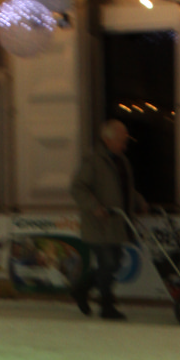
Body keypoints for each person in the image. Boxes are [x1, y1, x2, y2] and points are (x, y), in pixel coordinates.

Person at [70, 119, 147, 320]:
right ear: (107, 139)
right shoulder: (93, 161)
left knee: (113, 264)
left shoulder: (122, 162)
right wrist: (94, 206)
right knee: (108, 264)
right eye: (121, 140)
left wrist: (139, 201)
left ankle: (81, 289)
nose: (124, 145)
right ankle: (106, 306)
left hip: (117, 224)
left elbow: (125, 190)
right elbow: (77, 188)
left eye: (125, 140)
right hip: (98, 225)